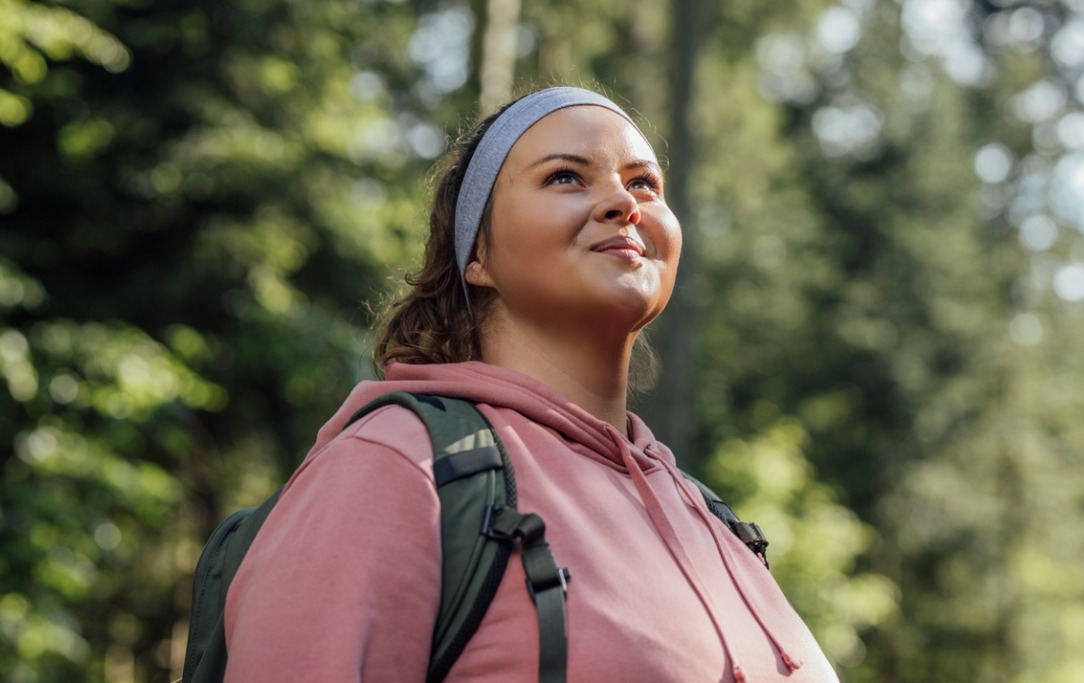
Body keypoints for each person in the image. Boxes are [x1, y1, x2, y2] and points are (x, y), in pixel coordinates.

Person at [222, 86, 838, 682]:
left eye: (643, 182)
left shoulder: (709, 516)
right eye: (566, 176)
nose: (623, 203)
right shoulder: (397, 467)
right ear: (477, 254)